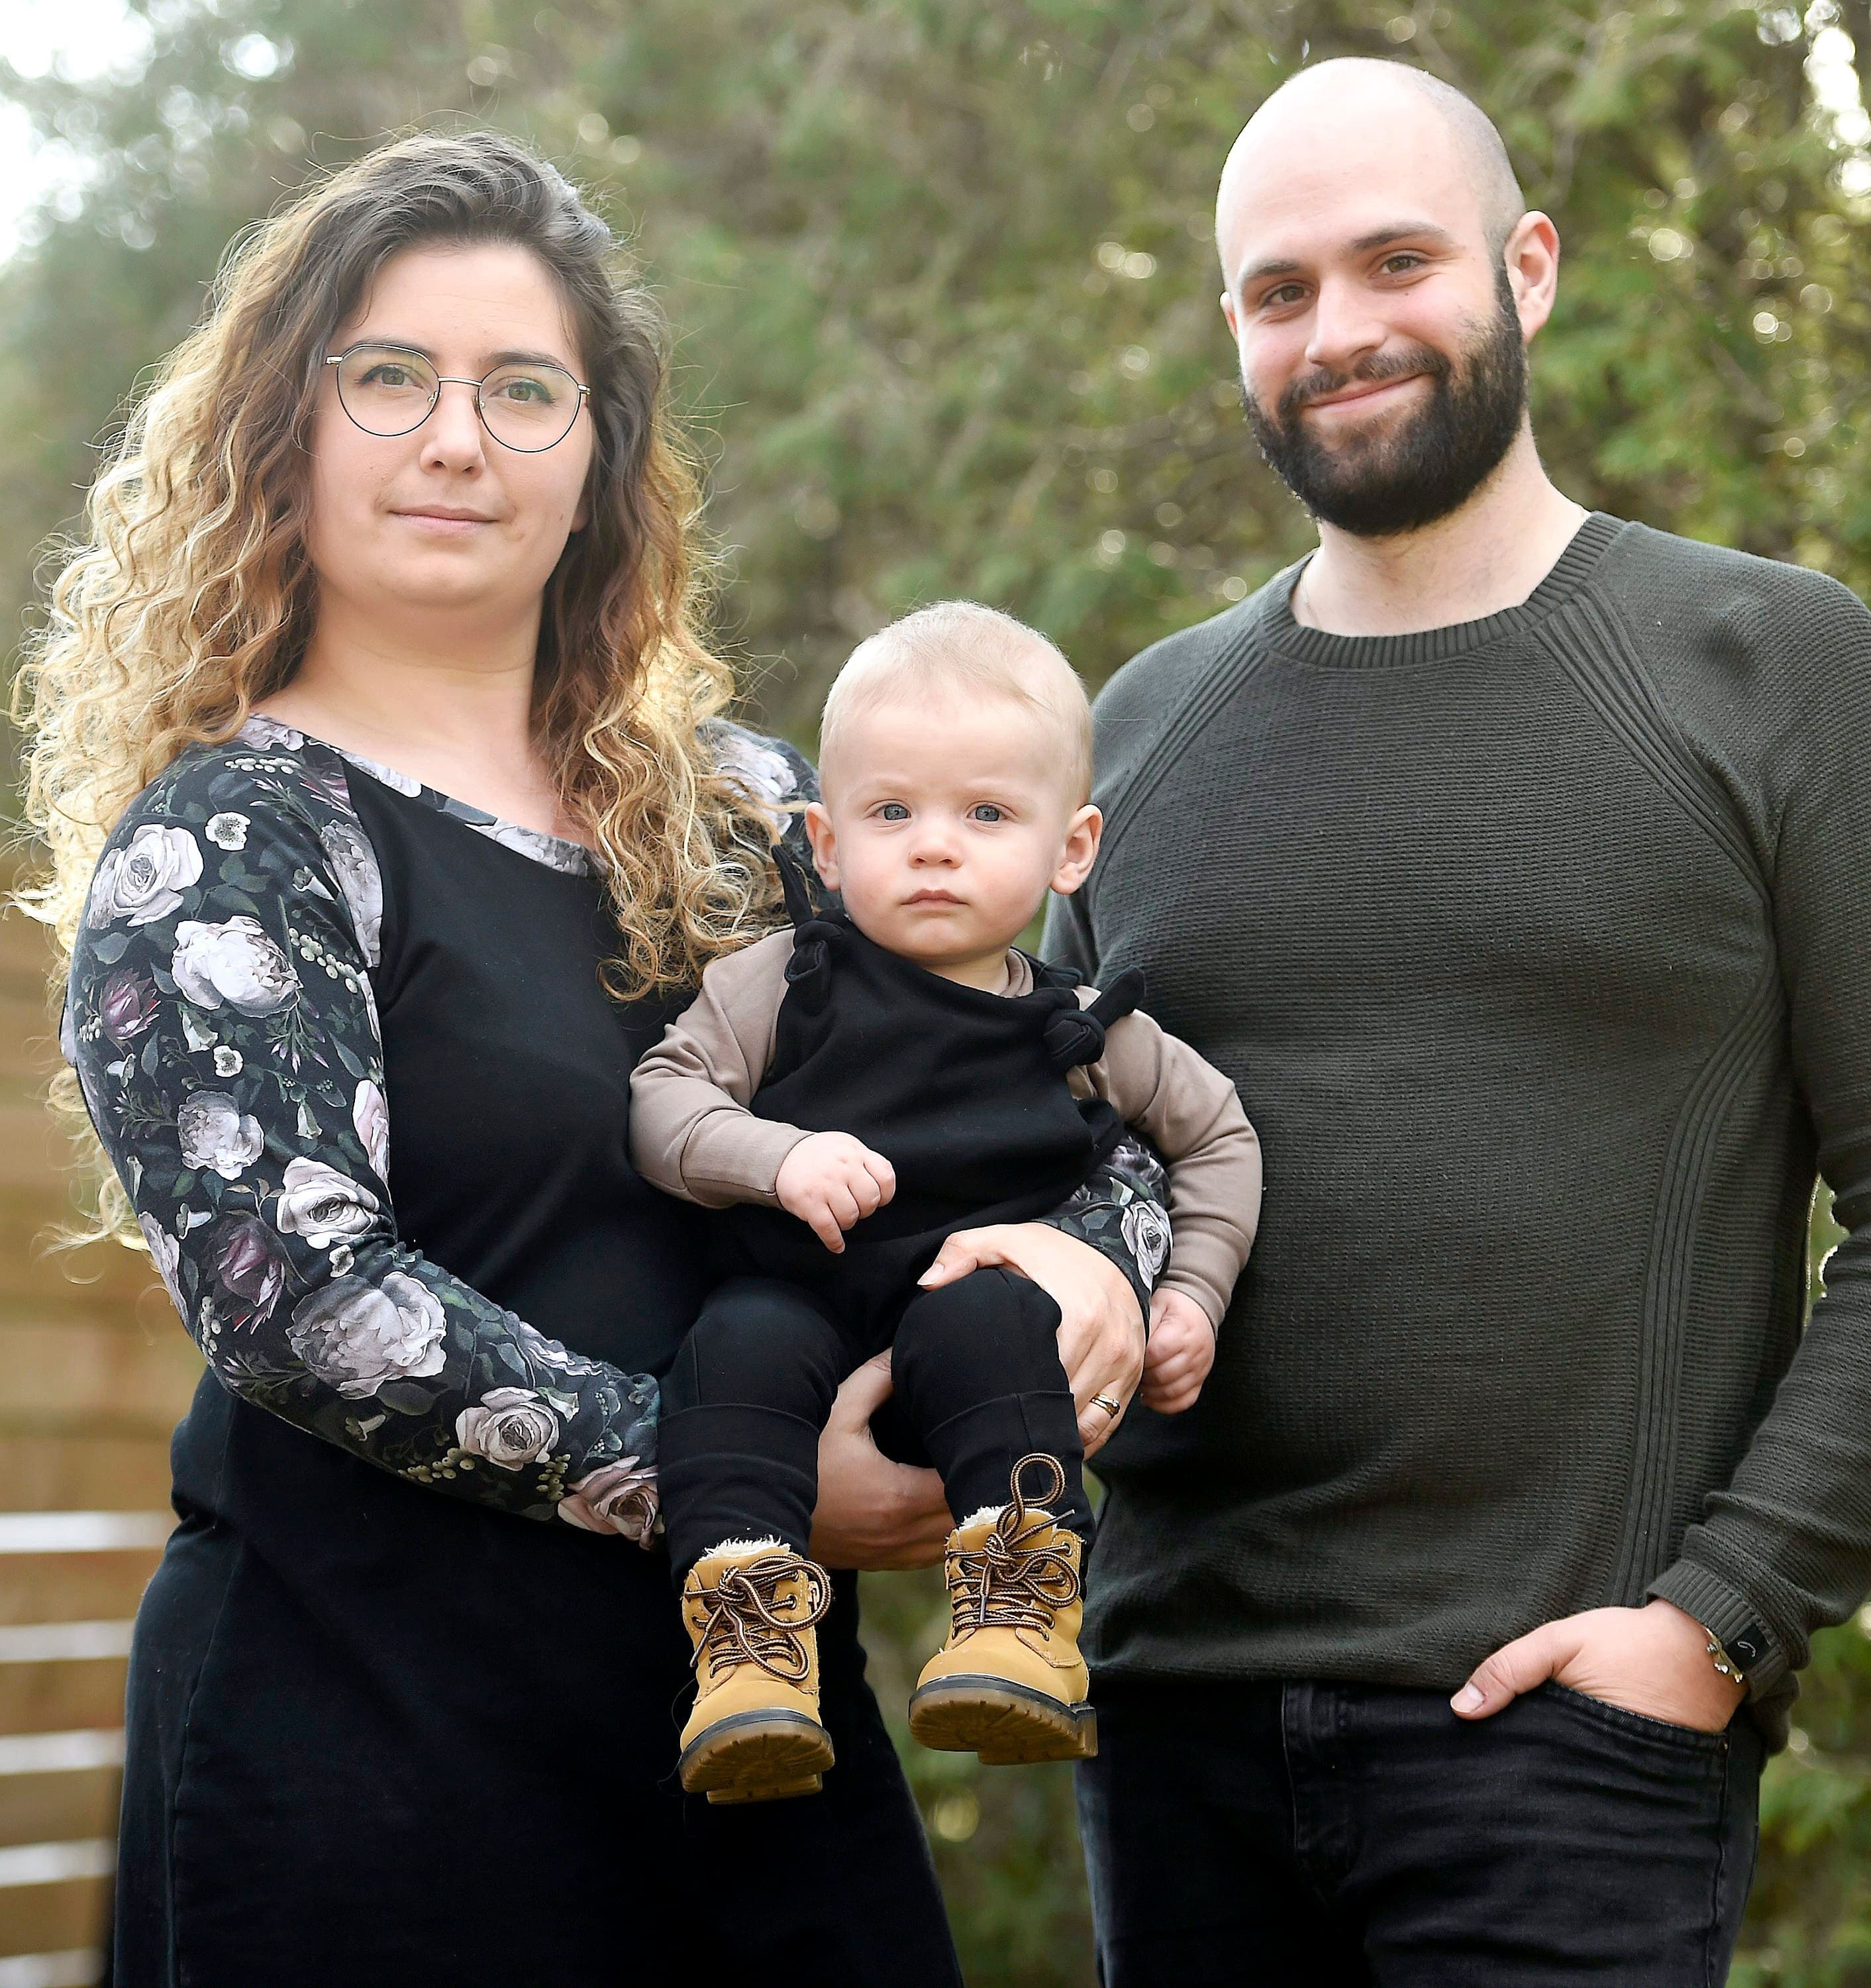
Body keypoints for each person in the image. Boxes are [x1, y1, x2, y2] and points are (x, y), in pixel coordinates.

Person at [19, 132, 1166, 1987]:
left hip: (755, 1751)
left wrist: (1084, 1253)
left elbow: (1044, 1049)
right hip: (370, 1764)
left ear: (598, 462)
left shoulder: (746, 816)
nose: (456, 439)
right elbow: (297, 1297)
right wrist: (748, 1473)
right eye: (386, 375)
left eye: (522, 389)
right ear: (281, 432)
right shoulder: (232, 841)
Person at [1045, 57, 1871, 1987]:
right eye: (1276, 291)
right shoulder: (1131, 736)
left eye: (1393, 262)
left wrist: (1713, 1624)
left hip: (1566, 1746)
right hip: (1169, 1728)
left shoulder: (1765, 666)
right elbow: (1061, 1175)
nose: (1337, 332)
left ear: (1526, 267)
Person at [627, 602, 1259, 1801]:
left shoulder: (1087, 1028)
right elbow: (660, 1102)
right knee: (731, 1346)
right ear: (823, 841)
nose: (932, 846)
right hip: (802, 1310)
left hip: (976, 1354)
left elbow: (1218, 1135)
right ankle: (749, 1650)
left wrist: (1190, 1294)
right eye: (890, 812)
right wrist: (771, 1157)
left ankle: (1018, 1614)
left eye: (985, 814)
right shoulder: (781, 981)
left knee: (985, 1313)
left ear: (1071, 849)